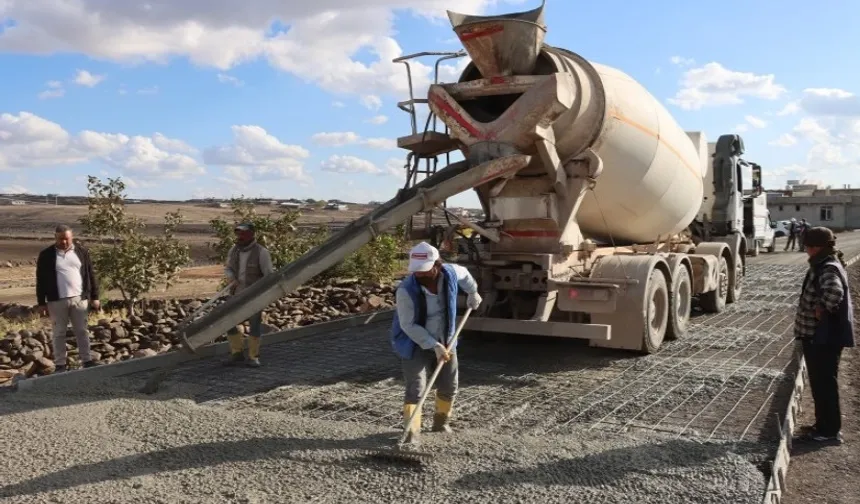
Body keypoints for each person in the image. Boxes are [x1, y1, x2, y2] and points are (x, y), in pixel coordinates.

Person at [390, 242, 482, 445]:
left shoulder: (451, 272)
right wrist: (433, 345)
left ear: (437, 265)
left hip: (447, 339)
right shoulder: (406, 290)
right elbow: (408, 325)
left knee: (449, 384)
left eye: (424, 271)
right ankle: (412, 433)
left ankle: (441, 424)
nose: (420, 275)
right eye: (416, 272)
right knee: (417, 387)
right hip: (415, 342)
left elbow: (465, 275)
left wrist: (473, 292)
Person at [794, 226, 855, 445]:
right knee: (821, 384)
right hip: (819, 337)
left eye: (809, 246)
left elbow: (834, 291)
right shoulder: (825, 263)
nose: (807, 250)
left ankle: (829, 431)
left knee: (824, 384)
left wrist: (821, 308)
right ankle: (823, 425)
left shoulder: (827, 267)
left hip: (822, 338)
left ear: (819, 247)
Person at [35, 225, 101, 372]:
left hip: (79, 299)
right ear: (55, 238)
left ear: (72, 237)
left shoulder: (82, 251)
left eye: (67, 239)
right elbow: (41, 280)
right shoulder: (46, 255)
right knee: (59, 332)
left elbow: (90, 274)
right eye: (61, 239)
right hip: (56, 300)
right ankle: (60, 365)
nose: (64, 242)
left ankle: (87, 361)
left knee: (82, 331)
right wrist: (41, 303)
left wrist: (95, 297)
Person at [223, 222, 274, 367]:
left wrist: (260, 292)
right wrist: (232, 277)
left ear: (252, 235)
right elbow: (228, 268)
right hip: (236, 294)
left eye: (244, 234)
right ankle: (237, 354)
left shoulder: (262, 252)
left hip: (253, 296)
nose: (240, 237)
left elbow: (268, 275)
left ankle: (253, 357)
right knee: (228, 323)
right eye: (238, 234)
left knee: (254, 325)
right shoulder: (233, 250)